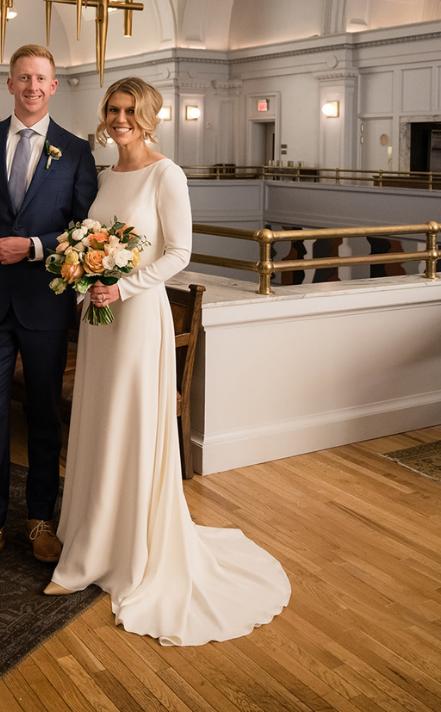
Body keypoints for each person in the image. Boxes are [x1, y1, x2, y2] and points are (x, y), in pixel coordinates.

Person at [42, 76, 290, 645]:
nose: (120, 117)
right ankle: (87, 543)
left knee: (129, 425)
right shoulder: (104, 177)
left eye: (130, 109)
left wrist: (121, 288)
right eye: (112, 108)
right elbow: (92, 241)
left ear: (148, 116)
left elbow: (179, 251)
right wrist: (85, 280)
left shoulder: (166, 173)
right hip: (99, 319)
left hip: (136, 317)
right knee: (96, 421)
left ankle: (128, 553)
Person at [0, 43, 99, 577]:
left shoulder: (77, 152)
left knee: (41, 414)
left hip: (46, 306)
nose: (33, 87)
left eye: (42, 79)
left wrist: (33, 246)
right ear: (9, 85)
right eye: (23, 78)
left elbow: (85, 233)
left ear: (54, 86)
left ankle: (39, 519)